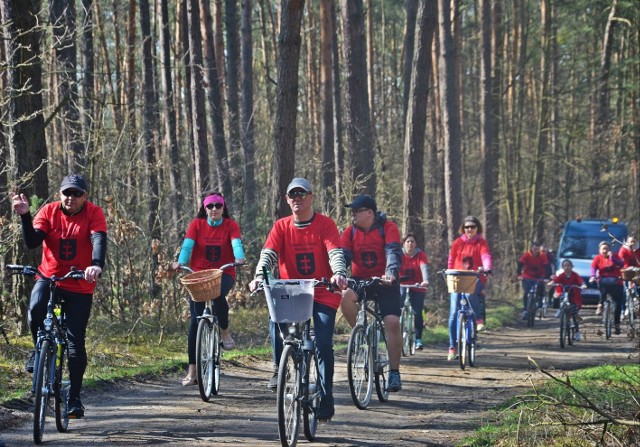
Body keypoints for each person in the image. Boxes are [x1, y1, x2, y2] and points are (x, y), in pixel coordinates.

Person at [248, 178, 347, 421]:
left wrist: (339, 274)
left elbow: (335, 252)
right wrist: (260, 276)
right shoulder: (281, 226)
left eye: (302, 194)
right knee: (275, 316)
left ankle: (326, 396)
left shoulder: (325, 224)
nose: (297, 199)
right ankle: (279, 368)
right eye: (293, 195)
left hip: (323, 290)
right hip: (292, 291)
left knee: (323, 343)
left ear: (311, 197)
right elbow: (268, 255)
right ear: (287, 199)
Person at [11, 174, 107, 419]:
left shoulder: (94, 213)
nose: (70, 198)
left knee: (75, 344)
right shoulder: (48, 212)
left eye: (76, 194)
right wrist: (24, 215)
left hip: (79, 283)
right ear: (60, 194)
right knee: (35, 309)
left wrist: (96, 265)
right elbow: (33, 241)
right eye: (67, 193)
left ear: (84, 196)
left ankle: (74, 398)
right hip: (50, 277)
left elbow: (98, 239)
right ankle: (38, 349)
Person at [173, 192, 245, 386]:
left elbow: (236, 243)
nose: (214, 209)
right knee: (196, 323)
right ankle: (193, 372)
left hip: (224, 273)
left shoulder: (231, 225)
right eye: (210, 206)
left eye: (218, 206)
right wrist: (180, 262)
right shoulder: (196, 225)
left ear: (223, 208)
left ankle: (224, 331)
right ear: (204, 209)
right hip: (199, 275)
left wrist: (239, 258)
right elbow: (188, 246)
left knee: (218, 293)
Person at [340, 194, 404, 391]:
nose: (352, 215)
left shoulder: (388, 228)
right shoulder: (349, 232)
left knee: (392, 322)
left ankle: (394, 372)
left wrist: (391, 274)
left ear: (369, 212)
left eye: (356, 211)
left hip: (385, 281)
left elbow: (393, 252)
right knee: (345, 297)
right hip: (361, 281)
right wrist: (340, 274)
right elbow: (342, 255)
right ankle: (360, 336)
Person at [446, 216, 492, 361]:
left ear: (477, 228)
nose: (469, 229)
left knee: (469, 294)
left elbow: (485, 255)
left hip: (475, 276)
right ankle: (452, 347)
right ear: (463, 229)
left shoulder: (481, 242)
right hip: (457, 277)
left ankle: (478, 319)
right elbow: (451, 260)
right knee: (454, 312)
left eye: (472, 226)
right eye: (467, 227)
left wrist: (487, 267)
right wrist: (449, 272)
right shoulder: (457, 243)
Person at [399, 233, 430, 350]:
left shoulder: (420, 255)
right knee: (398, 308)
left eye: (412, 241)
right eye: (408, 241)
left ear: (416, 244)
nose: (410, 244)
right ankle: (396, 336)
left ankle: (418, 339)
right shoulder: (399, 255)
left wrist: (425, 280)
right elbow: (394, 267)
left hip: (417, 286)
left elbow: (424, 268)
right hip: (402, 285)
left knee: (417, 312)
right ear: (404, 243)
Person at [590, 241, 624, 334]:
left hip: (616, 282)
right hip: (604, 281)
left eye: (607, 249)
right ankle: (600, 304)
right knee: (602, 288)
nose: (605, 251)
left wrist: (612, 258)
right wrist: (592, 276)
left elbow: (621, 264)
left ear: (609, 250)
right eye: (603, 249)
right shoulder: (597, 258)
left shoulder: (615, 256)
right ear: (599, 250)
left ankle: (617, 326)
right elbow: (593, 268)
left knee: (617, 305)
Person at [550, 259, 587, 341]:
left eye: (568, 265)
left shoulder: (575, 275)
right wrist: (551, 283)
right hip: (565, 296)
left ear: (571, 267)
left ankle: (577, 332)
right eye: (565, 266)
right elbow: (555, 280)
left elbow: (581, 281)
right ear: (562, 267)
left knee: (574, 315)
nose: (567, 267)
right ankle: (561, 310)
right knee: (559, 298)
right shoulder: (562, 275)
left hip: (574, 297)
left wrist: (583, 285)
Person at [517, 241, 552, 320]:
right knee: (526, 293)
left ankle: (539, 303)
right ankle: (525, 310)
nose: (536, 251)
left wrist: (547, 277)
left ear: (539, 249)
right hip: (527, 276)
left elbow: (546, 266)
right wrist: (519, 275)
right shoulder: (526, 255)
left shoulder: (543, 256)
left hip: (540, 276)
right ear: (532, 248)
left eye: (537, 249)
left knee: (540, 288)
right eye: (534, 249)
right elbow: (520, 264)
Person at [618, 235, 639, 317]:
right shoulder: (623, 249)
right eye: (631, 241)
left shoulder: (638, 250)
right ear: (627, 242)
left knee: (638, 289)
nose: (632, 243)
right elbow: (620, 261)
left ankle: (636, 305)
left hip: (637, 272)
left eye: (634, 241)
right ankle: (623, 310)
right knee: (624, 291)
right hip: (626, 272)